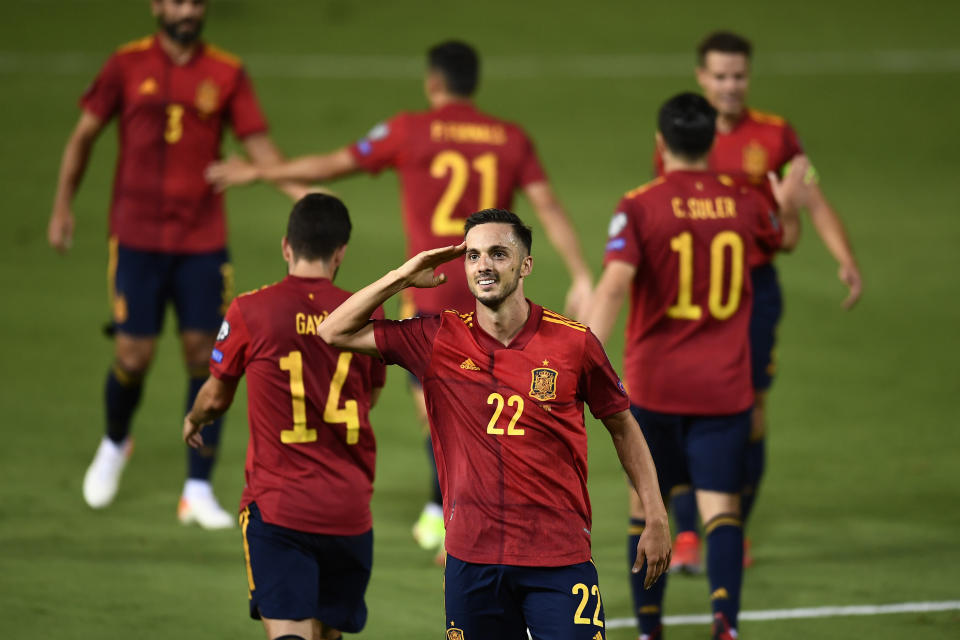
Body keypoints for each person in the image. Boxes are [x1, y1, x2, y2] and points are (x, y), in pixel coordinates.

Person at [207, 40, 593, 557]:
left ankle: (452, 515)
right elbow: (547, 207)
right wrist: (582, 272)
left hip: (432, 294)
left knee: (442, 408)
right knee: (478, 405)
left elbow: (334, 165)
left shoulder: (409, 130)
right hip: (491, 288)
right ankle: (451, 511)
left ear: (432, 82)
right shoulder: (509, 138)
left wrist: (258, 172)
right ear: (473, 84)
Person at [316, 208, 670, 639]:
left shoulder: (573, 343)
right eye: (472, 255)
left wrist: (655, 515)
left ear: (526, 266)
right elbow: (333, 331)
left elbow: (622, 424)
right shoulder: (436, 338)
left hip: (558, 557)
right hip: (473, 559)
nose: (483, 264)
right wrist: (404, 275)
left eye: (498, 254)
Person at [48, 0, 305, 527]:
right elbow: (83, 137)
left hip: (201, 241)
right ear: (156, 7)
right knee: (134, 355)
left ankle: (197, 488)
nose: (187, 10)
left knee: (203, 354)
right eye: (177, 1)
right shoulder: (126, 64)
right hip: (137, 239)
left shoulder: (227, 72)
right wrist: (61, 206)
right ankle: (116, 442)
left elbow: (259, 147)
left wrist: (303, 193)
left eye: (195, 2)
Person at [589, 93, 803, 639]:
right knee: (722, 509)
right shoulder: (746, 200)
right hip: (724, 388)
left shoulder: (639, 204)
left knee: (646, 508)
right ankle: (725, 624)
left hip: (655, 387)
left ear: (660, 144)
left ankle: (649, 631)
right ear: (713, 143)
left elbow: (615, 284)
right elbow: (786, 240)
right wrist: (791, 205)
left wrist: (580, 351)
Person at [655, 31, 864, 571]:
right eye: (720, 76)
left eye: (738, 75)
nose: (730, 85)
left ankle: (732, 527)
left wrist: (845, 257)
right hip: (688, 293)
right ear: (701, 76)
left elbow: (809, 196)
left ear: (749, 76)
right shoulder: (680, 133)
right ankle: (686, 535)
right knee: (674, 411)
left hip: (752, 294)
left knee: (749, 413)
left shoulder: (775, 135)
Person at [183, 193, 385, 640]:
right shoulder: (366, 312)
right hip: (349, 510)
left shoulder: (252, 310)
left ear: (285, 246)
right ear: (340, 252)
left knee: (290, 632)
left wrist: (194, 419)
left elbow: (215, 397)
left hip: (280, 508)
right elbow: (368, 396)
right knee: (327, 633)